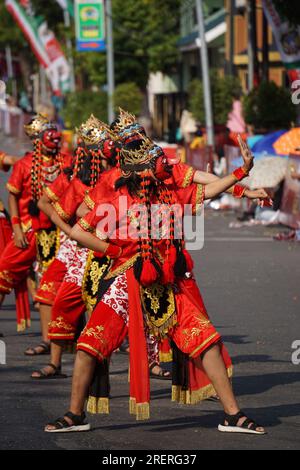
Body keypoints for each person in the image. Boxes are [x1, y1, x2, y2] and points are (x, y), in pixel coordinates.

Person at [44, 112, 267, 435]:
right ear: (141, 173)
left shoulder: (167, 194)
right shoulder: (116, 199)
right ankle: (74, 414)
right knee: (88, 346)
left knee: (208, 343)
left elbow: (208, 190)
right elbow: (80, 230)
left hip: (166, 283)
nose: (163, 167)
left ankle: (233, 415)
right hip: (126, 282)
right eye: (155, 164)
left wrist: (241, 173)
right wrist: (115, 251)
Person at [31, 115, 118, 378]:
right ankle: (56, 362)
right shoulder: (79, 180)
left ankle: (147, 364)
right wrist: (70, 230)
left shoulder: (120, 176)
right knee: (60, 302)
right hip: (81, 252)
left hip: (114, 252)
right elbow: (51, 204)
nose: (105, 154)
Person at [0, 114, 71, 342]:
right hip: (30, 230)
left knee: (57, 285)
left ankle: (58, 337)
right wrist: (18, 229)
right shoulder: (25, 164)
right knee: (4, 270)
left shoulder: (67, 161)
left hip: (61, 232)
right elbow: (13, 195)